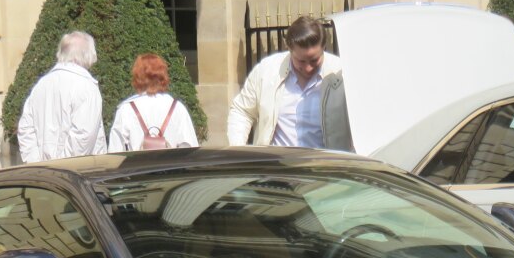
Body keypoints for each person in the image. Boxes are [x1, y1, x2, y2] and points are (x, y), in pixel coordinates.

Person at [227, 15, 352, 151]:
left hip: (325, 167)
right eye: (301, 61)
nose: (308, 68)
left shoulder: (342, 73)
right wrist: (238, 150)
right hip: (276, 167)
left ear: (324, 48)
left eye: (314, 60)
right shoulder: (266, 71)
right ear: (289, 49)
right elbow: (242, 111)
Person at [16, 31, 108, 162]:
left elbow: (25, 129)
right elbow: (83, 136)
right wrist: (63, 166)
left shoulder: (41, 85)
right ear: (88, 55)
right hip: (79, 173)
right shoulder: (87, 87)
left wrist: (36, 163)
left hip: (45, 172)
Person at [108, 53, 199, 152]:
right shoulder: (178, 108)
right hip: (171, 165)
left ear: (137, 77)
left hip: (136, 165)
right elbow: (190, 148)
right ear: (163, 76)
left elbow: (115, 150)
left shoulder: (126, 109)